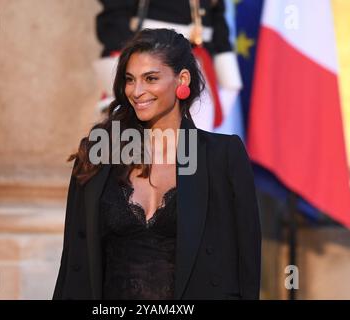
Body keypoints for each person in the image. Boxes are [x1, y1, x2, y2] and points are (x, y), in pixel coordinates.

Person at [53, 29, 261, 300]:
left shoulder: (223, 156)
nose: (137, 92)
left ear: (182, 79)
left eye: (150, 78)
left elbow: (247, 264)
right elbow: (74, 264)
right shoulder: (98, 153)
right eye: (130, 80)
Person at [94, 0, 242, 132]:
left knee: (196, 152)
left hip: (198, 62)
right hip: (149, 59)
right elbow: (115, 15)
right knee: (139, 150)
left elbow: (217, 16)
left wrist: (228, 80)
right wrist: (127, 67)